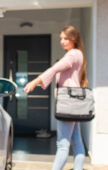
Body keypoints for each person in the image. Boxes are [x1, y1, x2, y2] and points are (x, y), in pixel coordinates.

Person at [23, 25, 87, 170]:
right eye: (61, 39)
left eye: (66, 38)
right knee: (76, 141)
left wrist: (35, 81)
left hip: (68, 104)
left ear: (74, 39)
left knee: (62, 145)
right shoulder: (79, 54)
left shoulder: (72, 54)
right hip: (74, 103)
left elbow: (55, 68)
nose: (63, 41)